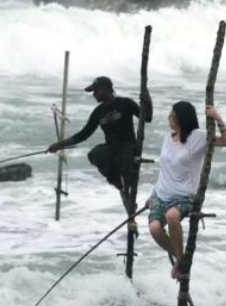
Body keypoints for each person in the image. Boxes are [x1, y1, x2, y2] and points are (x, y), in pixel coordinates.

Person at [146, 102, 226, 279]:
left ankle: (178, 263)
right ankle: (181, 257)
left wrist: (217, 118)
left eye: (172, 113)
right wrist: (152, 195)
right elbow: (165, 171)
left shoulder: (198, 137)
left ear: (182, 117)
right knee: (154, 228)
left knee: (172, 216)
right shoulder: (167, 138)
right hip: (161, 194)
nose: (169, 116)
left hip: (184, 196)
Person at [48, 76, 152, 217]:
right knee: (95, 154)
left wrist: (148, 101)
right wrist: (59, 145)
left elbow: (147, 118)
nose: (94, 94)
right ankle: (119, 186)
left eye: (96, 91)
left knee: (126, 160)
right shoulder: (98, 112)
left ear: (106, 89)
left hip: (129, 146)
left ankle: (128, 194)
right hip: (111, 147)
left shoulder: (125, 103)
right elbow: (83, 135)